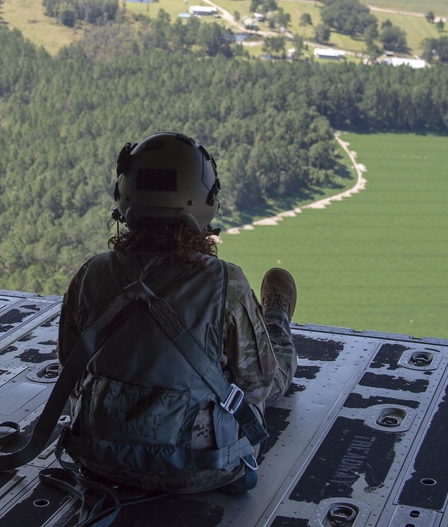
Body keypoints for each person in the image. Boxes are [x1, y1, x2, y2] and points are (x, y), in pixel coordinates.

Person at [57, 131, 297, 494]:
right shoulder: (225, 282)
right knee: (269, 369)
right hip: (202, 469)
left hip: (98, 459)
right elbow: (258, 383)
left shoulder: (91, 273)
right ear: (205, 201)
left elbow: (69, 367)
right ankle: (276, 322)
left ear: (123, 196)